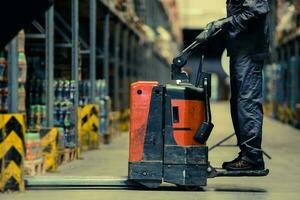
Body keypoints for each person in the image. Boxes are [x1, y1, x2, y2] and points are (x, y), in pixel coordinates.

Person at [196, 0, 270, 171]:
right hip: (240, 49)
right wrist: (220, 25)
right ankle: (247, 154)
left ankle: (252, 156)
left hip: (249, 50)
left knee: (247, 102)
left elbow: (257, 11)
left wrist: (223, 23)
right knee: (238, 102)